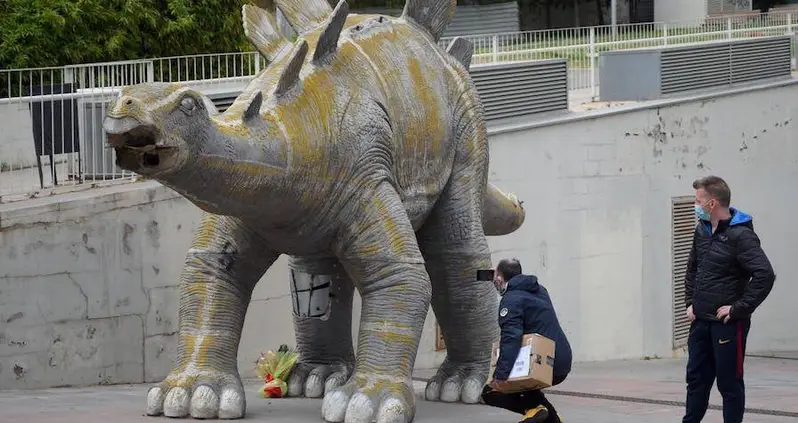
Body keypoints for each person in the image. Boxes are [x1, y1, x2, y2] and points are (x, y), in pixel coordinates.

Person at [682, 175, 776, 423]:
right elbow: (693, 268)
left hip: (728, 325)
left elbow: (765, 275)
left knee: (729, 384)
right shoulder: (701, 230)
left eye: (698, 200)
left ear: (712, 203)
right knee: (696, 380)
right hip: (700, 322)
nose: (696, 205)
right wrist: (690, 302)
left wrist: (738, 309)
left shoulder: (741, 236)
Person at [481, 258, 572, 423]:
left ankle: (536, 412)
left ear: (500, 279)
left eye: (495, 279)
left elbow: (511, 338)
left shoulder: (510, 300)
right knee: (528, 389)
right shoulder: (540, 290)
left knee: (490, 392)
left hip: (542, 365)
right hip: (561, 360)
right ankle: (552, 417)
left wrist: (500, 376)